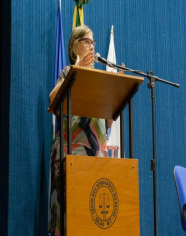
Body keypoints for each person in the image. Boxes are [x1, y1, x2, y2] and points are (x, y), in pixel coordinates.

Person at [48, 25, 112, 236]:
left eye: (93, 42)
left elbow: (107, 124)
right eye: (87, 41)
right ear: (75, 46)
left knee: (90, 222)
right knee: (69, 222)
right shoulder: (68, 73)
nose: (92, 46)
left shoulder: (99, 79)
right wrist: (76, 70)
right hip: (70, 158)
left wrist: (114, 96)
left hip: (96, 159)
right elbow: (52, 100)